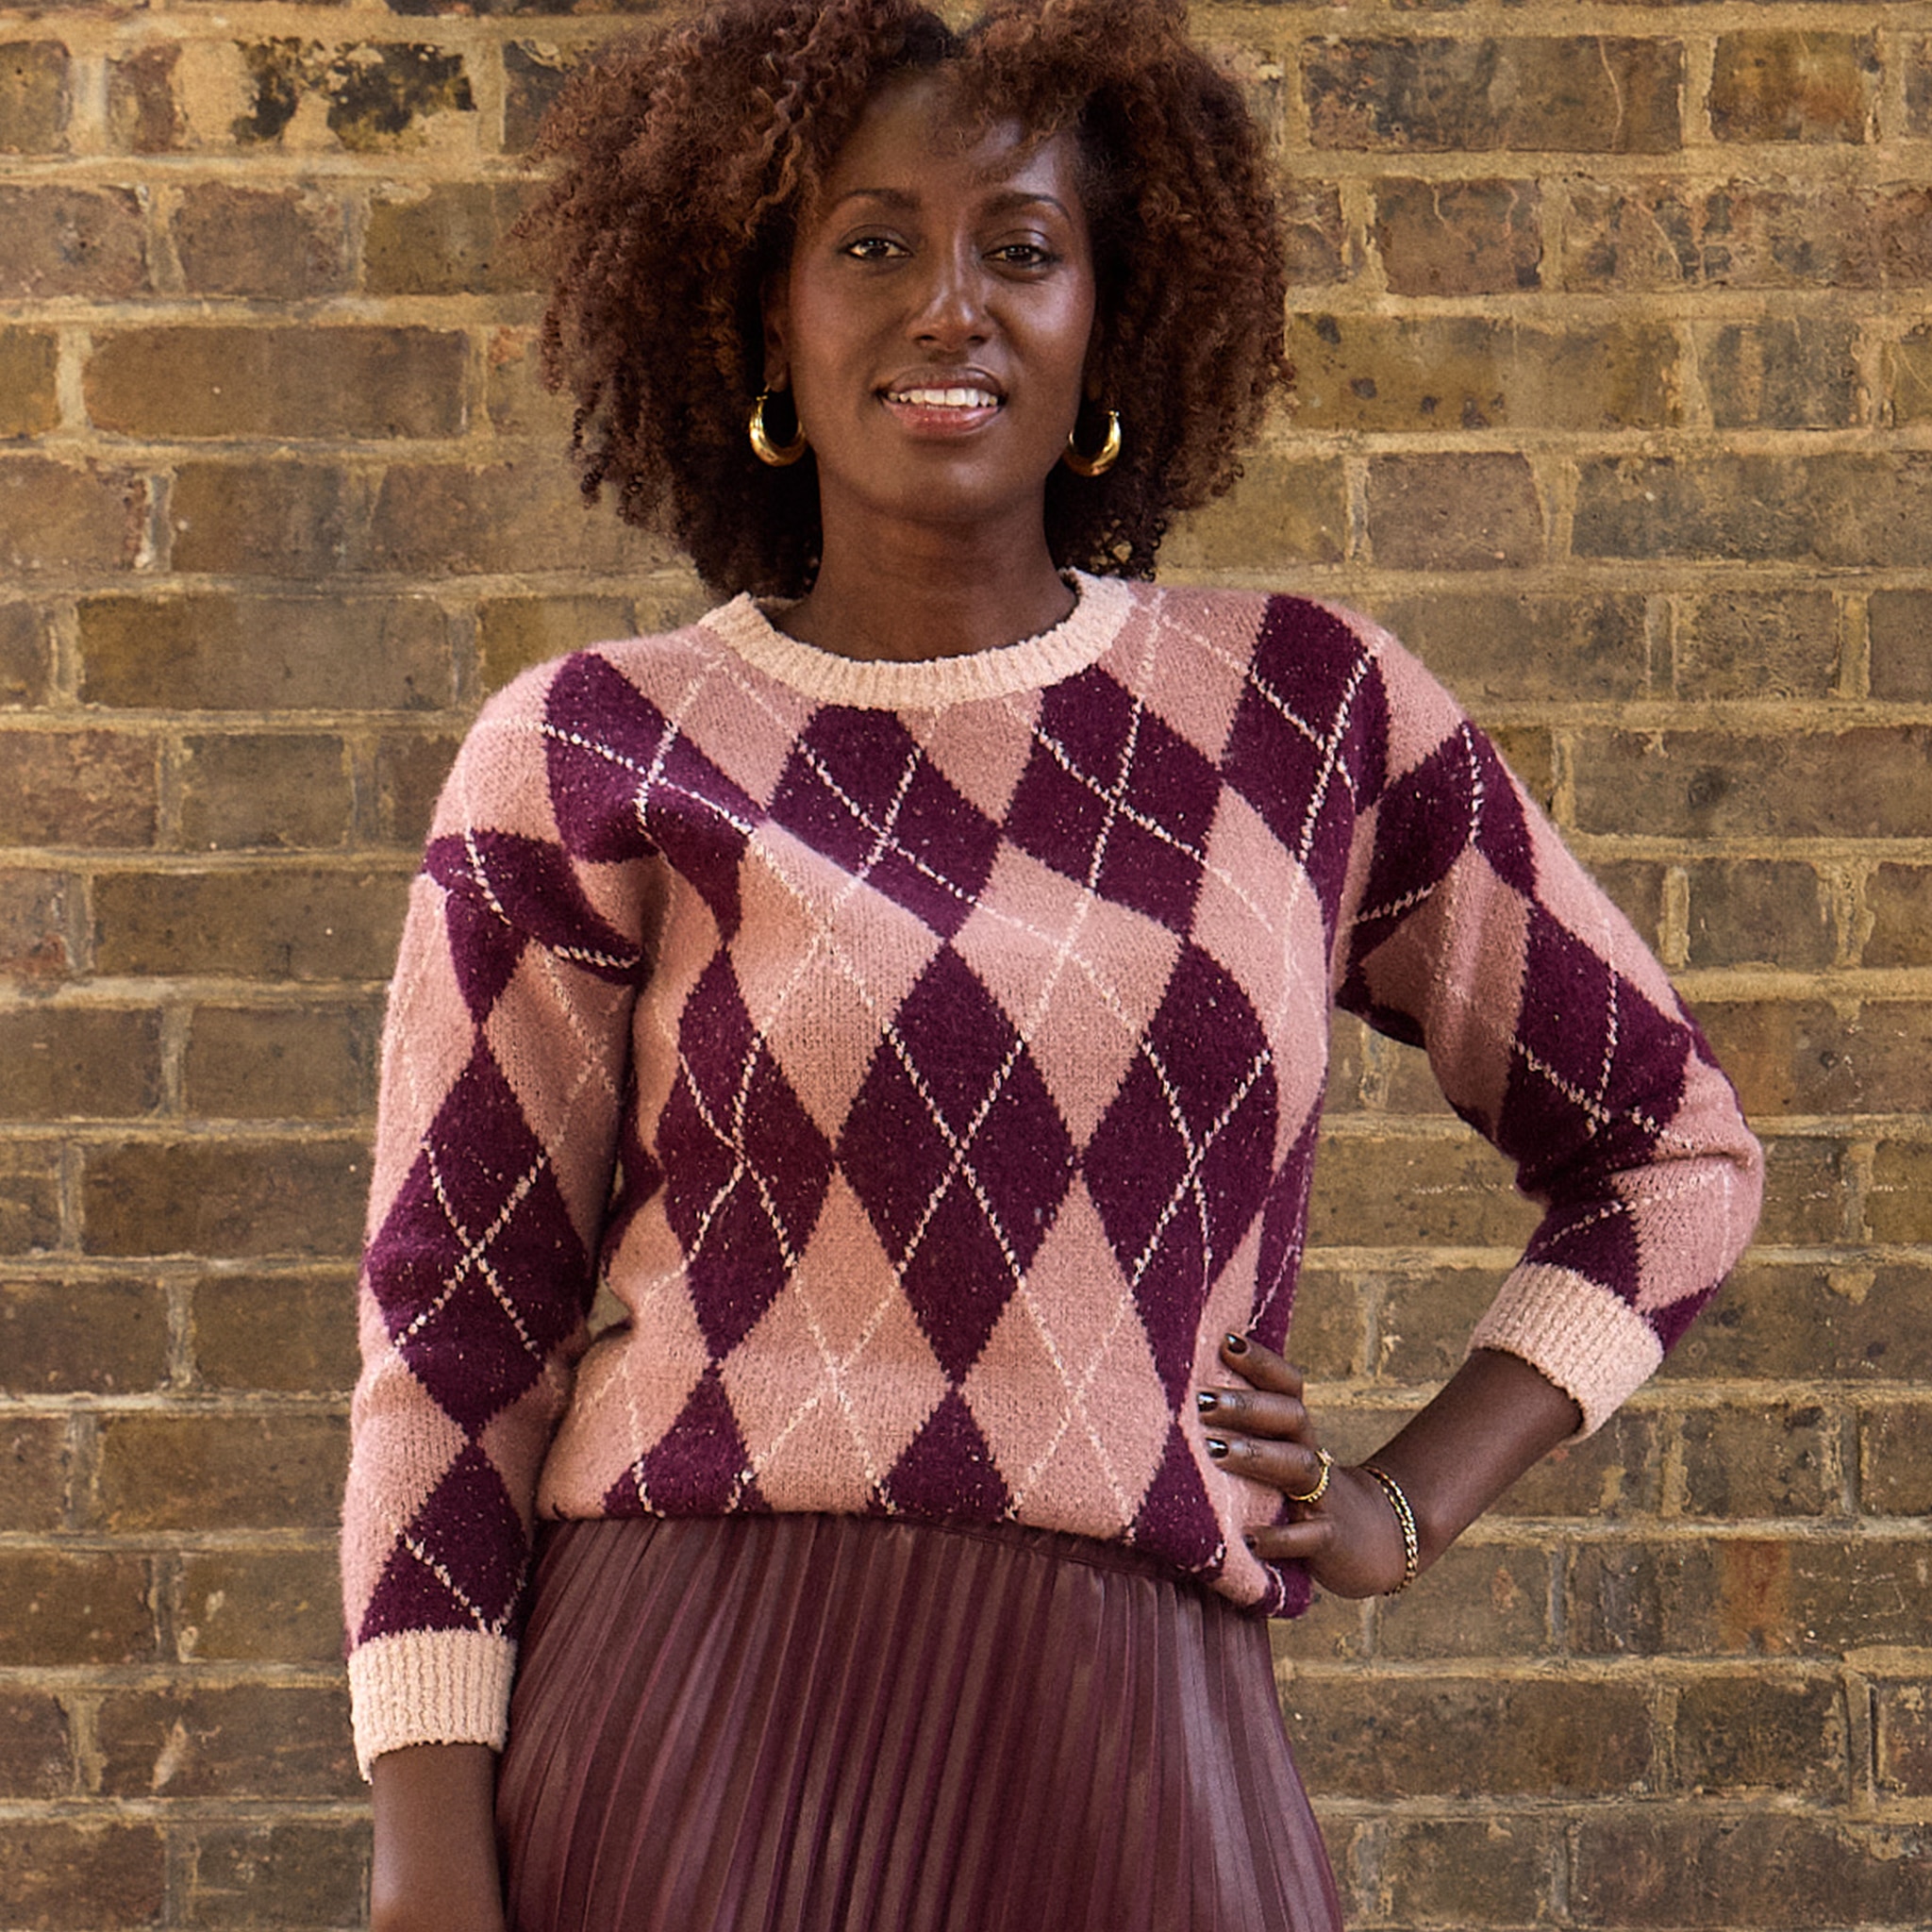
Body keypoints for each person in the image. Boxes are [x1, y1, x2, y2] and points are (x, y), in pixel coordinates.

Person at [341, 0, 1764, 1925]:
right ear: (763, 316)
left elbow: (1667, 1149)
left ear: (1108, 315)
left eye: (1019, 248)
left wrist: (1404, 1501)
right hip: (685, 1730)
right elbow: (453, 1344)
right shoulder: (597, 748)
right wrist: (432, 1867)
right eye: (869, 246)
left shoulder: (1302, 717)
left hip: (1139, 1747)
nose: (950, 305)